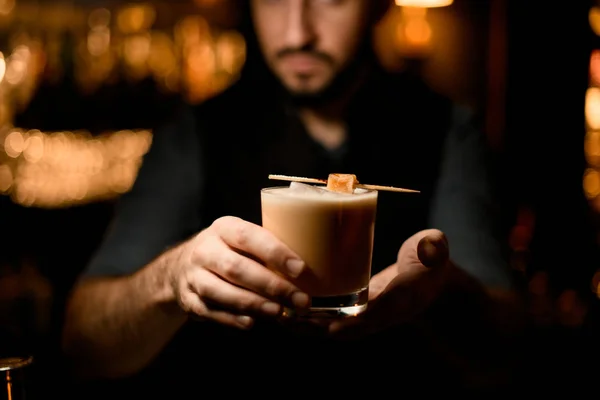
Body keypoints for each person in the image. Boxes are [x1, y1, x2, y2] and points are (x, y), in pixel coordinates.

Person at [61, 0, 524, 396]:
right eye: (274, 0)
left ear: (380, 3)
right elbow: (82, 345)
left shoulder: (448, 131)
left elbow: (512, 349)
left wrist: (444, 291)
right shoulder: (195, 135)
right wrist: (170, 277)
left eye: (331, 0)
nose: (297, 32)